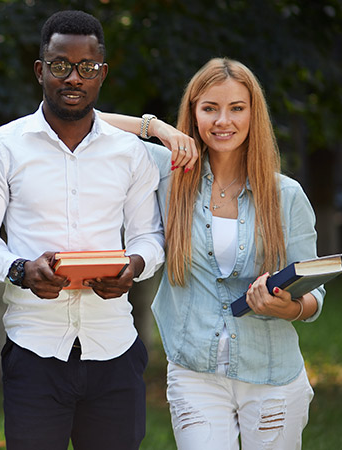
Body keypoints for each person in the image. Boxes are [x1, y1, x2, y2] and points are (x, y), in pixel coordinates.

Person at [0, 10, 165, 450]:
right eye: (60, 65)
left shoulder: (132, 154)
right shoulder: (1, 148)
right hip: (34, 351)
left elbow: (150, 237)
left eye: (86, 67)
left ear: (102, 74)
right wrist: (20, 270)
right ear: (40, 71)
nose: (73, 77)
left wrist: (134, 265)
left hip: (114, 348)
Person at [104, 57, 322, 449]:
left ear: (254, 114)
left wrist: (287, 307)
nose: (223, 121)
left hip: (272, 374)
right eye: (210, 108)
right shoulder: (169, 172)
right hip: (195, 374)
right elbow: (91, 121)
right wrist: (158, 130)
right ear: (194, 113)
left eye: (237, 108)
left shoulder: (286, 195)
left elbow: (313, 294)